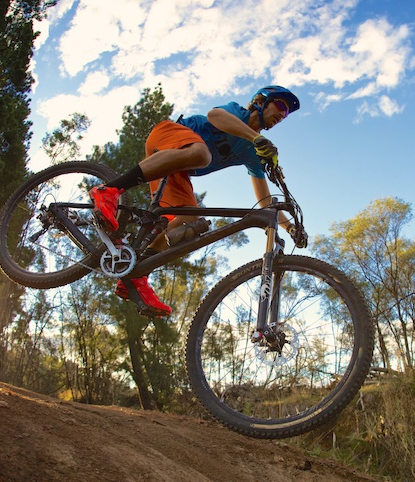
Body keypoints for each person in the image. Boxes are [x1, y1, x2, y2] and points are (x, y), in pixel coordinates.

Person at [89, 85, 301, 317]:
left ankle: (136, 274)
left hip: (177, 168)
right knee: (202, 154)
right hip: (167, 135)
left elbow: (264, 199)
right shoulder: (237, 113)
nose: (283, 114)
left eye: (288, 113)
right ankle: (109, 190)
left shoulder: (252, 151)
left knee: (190, 218)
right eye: (280, 105)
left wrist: (291, 227)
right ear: (260, 101)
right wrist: (257, 137)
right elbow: (214, 116)